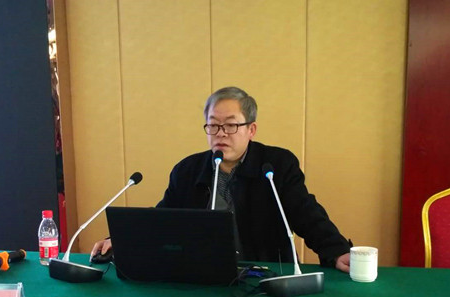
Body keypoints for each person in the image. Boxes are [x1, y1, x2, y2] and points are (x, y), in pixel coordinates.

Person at [91, 86, 353, 272]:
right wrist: (120, 240)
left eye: (230, 125)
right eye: (213, 125)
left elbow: (306, 213)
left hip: (266, 274)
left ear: (251, 129)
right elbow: (164, 219)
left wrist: (336, 250)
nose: (221, 133)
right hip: (203, 275)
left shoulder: (276, 165)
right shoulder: (188, 170)